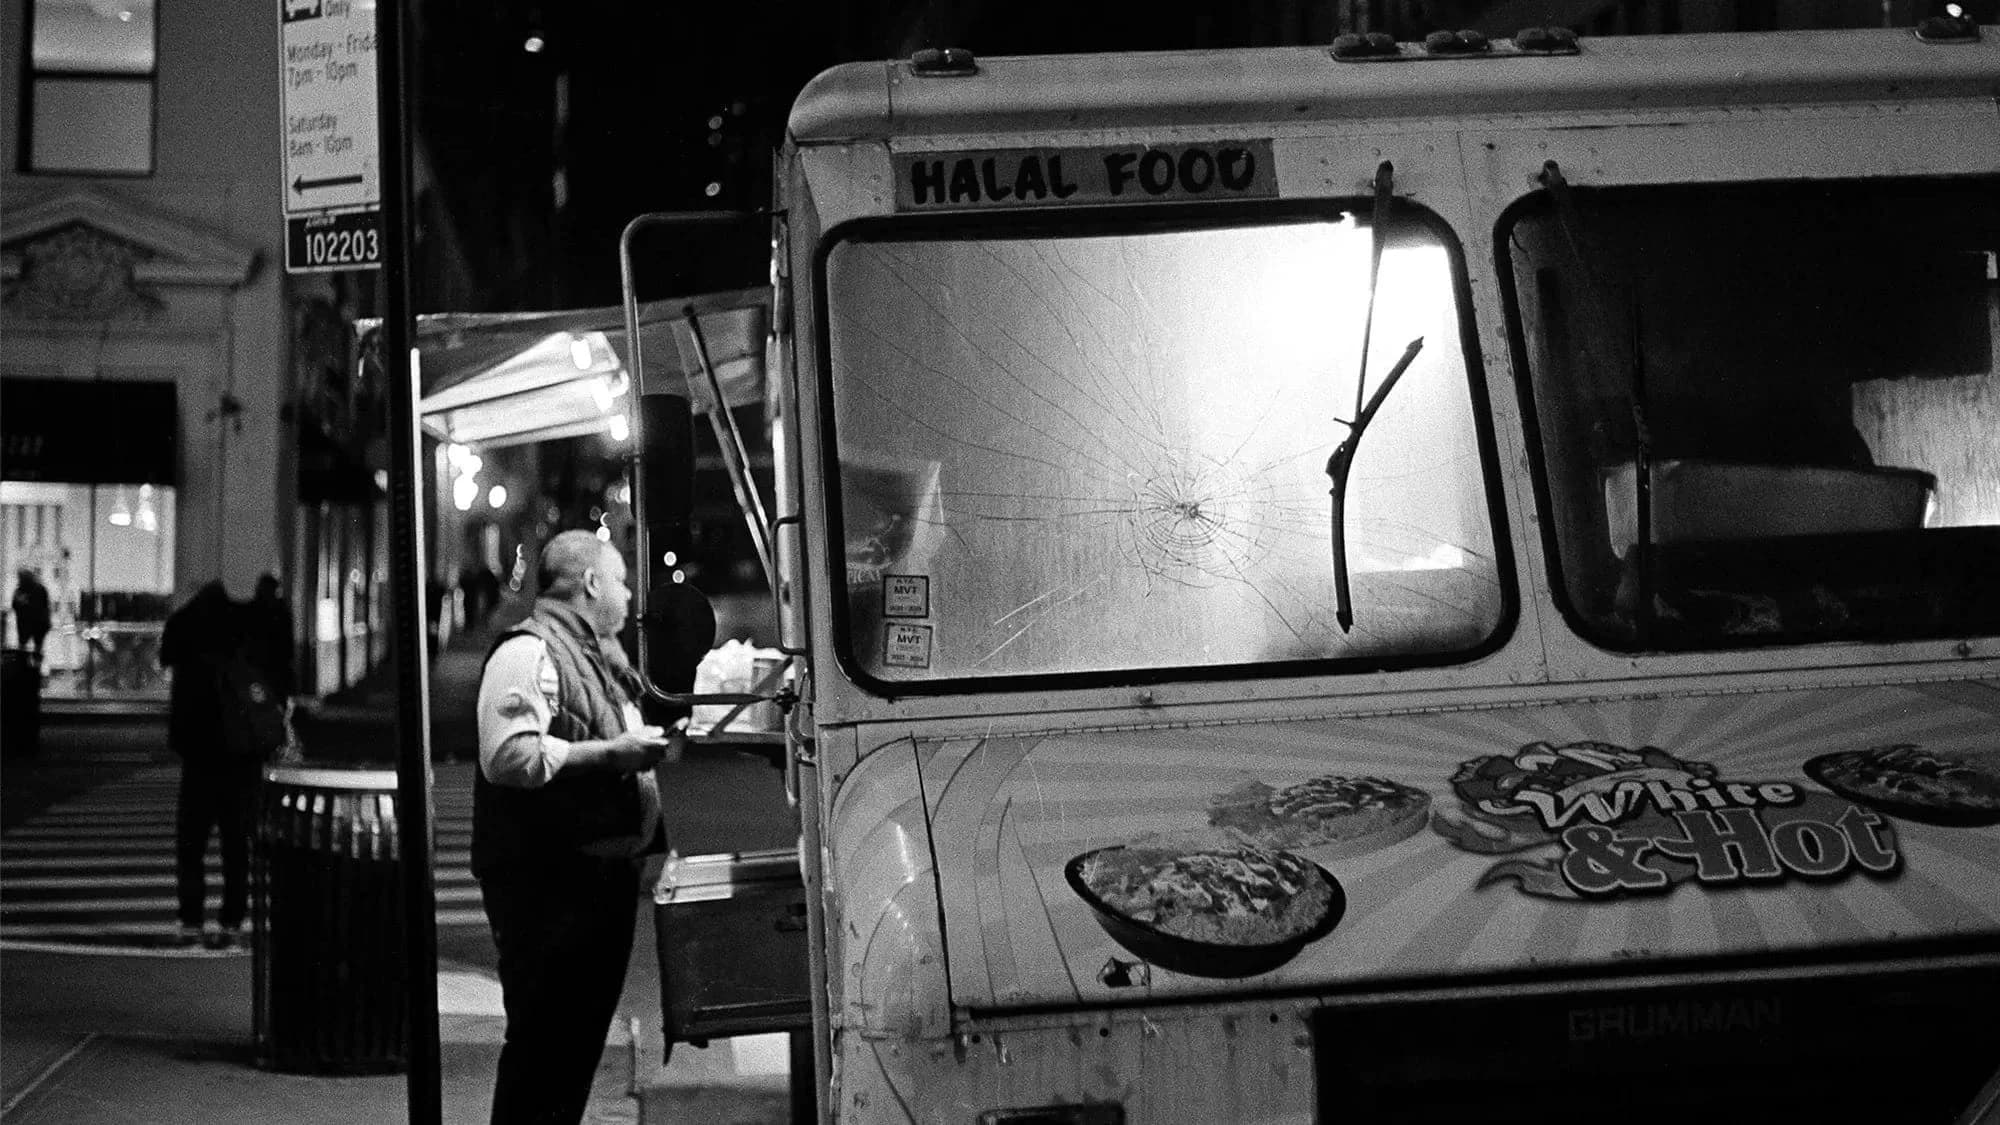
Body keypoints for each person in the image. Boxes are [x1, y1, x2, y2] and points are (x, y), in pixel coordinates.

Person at [472, 529, 683, 1125]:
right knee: (544, 1050)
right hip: (549, 886)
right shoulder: (528, 650)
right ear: (590, 582)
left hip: (596, 882)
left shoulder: (594, 654)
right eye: (619, 579)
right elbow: (509, 755)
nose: (627, 594)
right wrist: (612, 754)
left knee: (574, 1050)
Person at [159, 580, 256, 949]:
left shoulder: (185, 625)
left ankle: (191, 921)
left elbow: (166, 658)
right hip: (238, 756)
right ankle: (231, 922)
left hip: (198, 754)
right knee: (236, 846)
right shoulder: (240, 625)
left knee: (191, 845)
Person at [11, 569, 51, 665]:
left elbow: (41, 606)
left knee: (34, 646)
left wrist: (24, 603)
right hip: (28, 623)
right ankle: (24, 666)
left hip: (37, 623)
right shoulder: (20, 590)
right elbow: (14, 605)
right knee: (26, 646)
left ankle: (32, 667)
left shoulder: (37, 589)